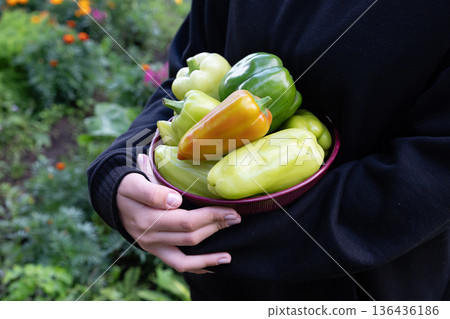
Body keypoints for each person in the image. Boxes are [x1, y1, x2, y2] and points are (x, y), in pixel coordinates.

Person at [87, 0, 450, 300]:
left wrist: (209, 227)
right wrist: (120, 169)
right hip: (221, 293)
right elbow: (183, 84)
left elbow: (425, 181)